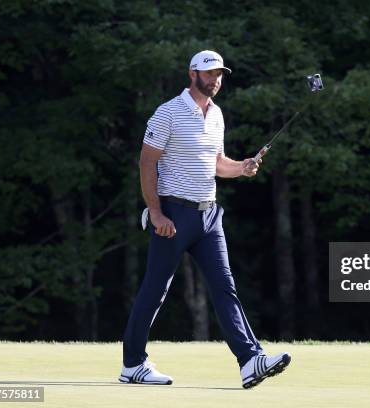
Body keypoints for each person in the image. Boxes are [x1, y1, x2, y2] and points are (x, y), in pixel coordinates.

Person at [119, 50, 291, 389]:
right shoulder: (167, 112)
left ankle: (249, 361)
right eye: (209, 73)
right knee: (155, 291)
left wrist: (241, 168)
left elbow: (216, 163)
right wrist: (155, 212)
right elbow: (146, 162)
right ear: (192, 74)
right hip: (174, 214)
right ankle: (133, 364)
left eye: (220, 74)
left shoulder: (217, 115)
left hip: (209, 216)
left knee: (225, 287)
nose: (215, 79)